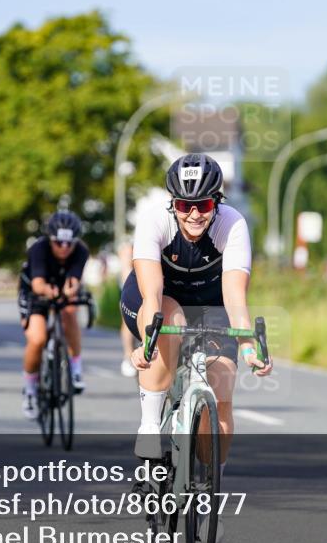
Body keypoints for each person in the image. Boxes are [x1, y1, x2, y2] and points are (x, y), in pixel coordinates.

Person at [121, 153, 272, 464]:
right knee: (169, 316)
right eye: (183, 206)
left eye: (202, 205)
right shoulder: (154, 222)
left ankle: (206, 478)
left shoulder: (232, 225)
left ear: (216, 202)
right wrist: (146, 346)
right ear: (172, 204)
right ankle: (149, 424)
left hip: (210, 305)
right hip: (158, 300)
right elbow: (152, 294)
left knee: (222, 396)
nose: (193, 214)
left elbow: (234, 295)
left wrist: (246, 346)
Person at [18, 210, 90, 419]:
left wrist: (70, 290)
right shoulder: (38, 249)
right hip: (34, 290)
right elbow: (38, 284)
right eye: (59, 242)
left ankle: (75, 368)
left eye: (70, 243)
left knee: (70, 312)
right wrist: (52, 292)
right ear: (51, 239)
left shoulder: (81, 251)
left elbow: (74, 279)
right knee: (37, 338)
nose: (65, 248)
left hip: (60, 289)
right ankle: (30, 390)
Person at [117, 240, 138, 378]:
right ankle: (128, 354)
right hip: (130, 286)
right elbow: (125, 277)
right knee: (127, 319)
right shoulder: (128, 249)